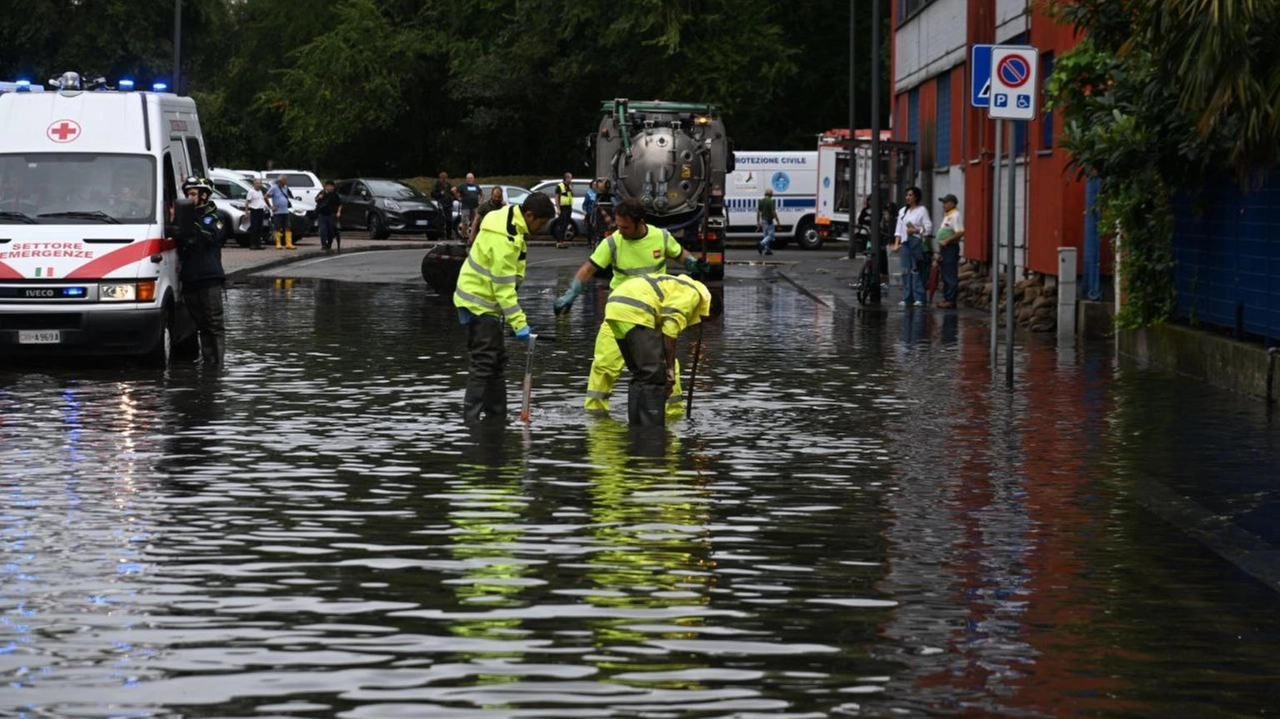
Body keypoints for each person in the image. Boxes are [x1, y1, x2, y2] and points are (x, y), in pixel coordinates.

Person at [553, 197, 708, 415]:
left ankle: (672, 415)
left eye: (625, 227)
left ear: (640, 222)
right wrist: (571, 294)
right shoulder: (614, 242)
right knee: (604, 364)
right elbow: (589, 268)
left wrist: (693, 264)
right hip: (621, 312)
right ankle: (596, 415)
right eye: (618, 225)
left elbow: (681, 255)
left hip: (654, 313)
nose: (620, 230)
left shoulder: (660, 237)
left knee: (667, 366)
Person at [453, 192, 556, 424]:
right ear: (529, 215)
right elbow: (502, 289)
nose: (541, 228)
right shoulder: (505, 239)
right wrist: (520, 324)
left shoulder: (509, 218)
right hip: (480, 303)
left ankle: (496, 417)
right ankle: (471, 422)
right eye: (540, 223)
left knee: (496, 362)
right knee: (484, 362)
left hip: (482, 301)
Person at [604, 274, 712, 426]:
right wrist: (670, 369)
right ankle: (652, 431)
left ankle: (636, 428)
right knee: (654, 374)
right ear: (708, 309)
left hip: (615, 307)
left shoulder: (677, 285)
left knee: (641, 374)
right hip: (636, 309)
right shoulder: (692, 294)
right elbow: (670, 329)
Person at [178, 177, 227, 367]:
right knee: (200, 325)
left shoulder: (215, 216)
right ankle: (208, 364)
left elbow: (213, 237)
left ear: (204, 196)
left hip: (209, 278)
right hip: (190, 278)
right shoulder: (184, 216)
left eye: (192, 194)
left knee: (214, 324)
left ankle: (218, 366)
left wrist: (192, 226)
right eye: (187, 194)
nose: (188, 198)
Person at [891, 186, 931, 307]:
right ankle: (907, 297)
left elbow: (928, 228)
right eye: (907, 195)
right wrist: (897, 243)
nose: (907, 197)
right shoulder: (903, 211)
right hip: (905, 243)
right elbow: (898, 229)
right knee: (905, 270)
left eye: (910, 195)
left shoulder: (922, 210)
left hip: (916, 242)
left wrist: (915, 230)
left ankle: (919, 296)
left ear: (916, 197)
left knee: (916, 269)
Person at [935, 193, 965, 309]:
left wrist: (947, 240)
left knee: (950, 274)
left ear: (952, 203)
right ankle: (947, 298)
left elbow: (960, 232)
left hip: (950, 248)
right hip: (945, 248)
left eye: (945, 203)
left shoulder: (955, 215)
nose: (943, 205)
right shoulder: (948, 215)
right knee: (945, 273)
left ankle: (950, 299)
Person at [266, 174, 296, 250]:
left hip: (285, 210)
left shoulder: (285, 188)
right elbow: (266, 196)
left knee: (288, 226)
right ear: (280, 181)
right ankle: (278, 243)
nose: (285, 181)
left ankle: (288, 243)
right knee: (278, 227)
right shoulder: (274, 188)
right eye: (284, 180)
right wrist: (271, 206)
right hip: (277, 211)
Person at [315, 180, 342, 253]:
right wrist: (320, 197)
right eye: (328, 186)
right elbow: (316, 200)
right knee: (323, 230)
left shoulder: (335, 195)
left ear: (333, 187)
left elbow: (339, 204)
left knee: (331, 230)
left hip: (331, 214)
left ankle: (329, 243)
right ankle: (323, 244)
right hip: (322, 214)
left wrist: (338, 212)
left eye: (331, 186)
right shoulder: (322, 193)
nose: (329, 188)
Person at [245, 177, 269, 250]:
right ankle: (253, 244)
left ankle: (258, 244)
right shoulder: (251, 192)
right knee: (254, 228)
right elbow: (247, 202)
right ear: (254, 184)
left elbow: (262, 200)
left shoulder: (260, 191)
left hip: (260, 210)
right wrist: (246, 212)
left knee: (259, 227)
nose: (259, 185)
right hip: (254, 210)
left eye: (260, 183)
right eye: (257, 183)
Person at [431, 171, 456, 241]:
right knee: (441, 221)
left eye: (445, 177)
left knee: (449, 220)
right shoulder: (437, 185)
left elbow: (452, 193)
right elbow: (433, 194)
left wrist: (453, 196)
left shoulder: (448, 185)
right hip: (441, 204)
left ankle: (449, 235)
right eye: (443, 177)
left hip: (448, 204)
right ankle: (441, 235)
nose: (444, 179)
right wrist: (440, 194)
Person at [457, 173, 482, 239]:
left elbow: (481, 194)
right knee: (465, 222)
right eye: (468, 178)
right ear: (466, 179)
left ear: (473, 179)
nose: (469, 179)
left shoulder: (476, 186)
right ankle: (464, 236)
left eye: (471, 178)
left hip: (475, 207)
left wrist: (480, 201)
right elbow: (455, 191)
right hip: (465, 207)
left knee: (475, 222)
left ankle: (473, 237)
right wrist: (458, 198)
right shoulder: (463, 186)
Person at [756, 188, 778, 255]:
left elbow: (758, 212)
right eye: (772, 193)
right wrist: (777, 220)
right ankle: (761, 244)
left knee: (765, 235)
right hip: (769, 220)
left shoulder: (761, 201)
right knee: (771, 235)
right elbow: (773, 212)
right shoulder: (770, 201)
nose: (773, 194)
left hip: (763, 220)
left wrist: (757, 221)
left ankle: (768, 250)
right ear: (770, 194)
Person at [554, 172, 574, 248]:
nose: (570, 179)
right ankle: (559, 241)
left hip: (569, 207)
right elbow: (557, 198)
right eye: (569, 178)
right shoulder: (560, 186)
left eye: (571, 178)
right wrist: (558, 209)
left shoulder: (570, 186)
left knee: (566, 224)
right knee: (561, 224)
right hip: (562, 208)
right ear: (565, 178)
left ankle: (562, 241)